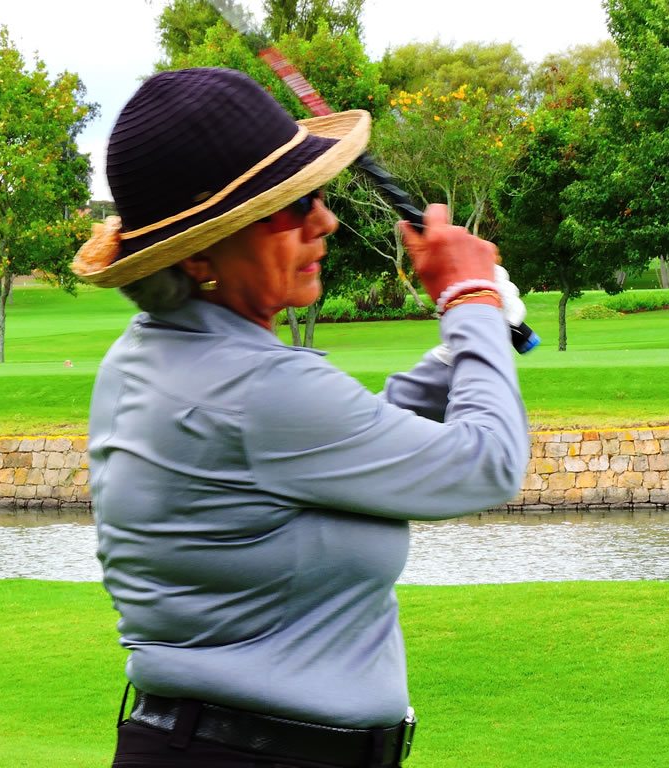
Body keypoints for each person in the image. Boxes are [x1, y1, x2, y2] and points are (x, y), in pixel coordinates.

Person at [72, 67, 530, 768]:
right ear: (201, 253)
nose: (324, 221)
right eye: (291, 206)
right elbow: (486, 464)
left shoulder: (155, 356)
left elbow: (345, 442)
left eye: (314, 195)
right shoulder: (256, 388)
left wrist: (464, 344)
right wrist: (469, 301)